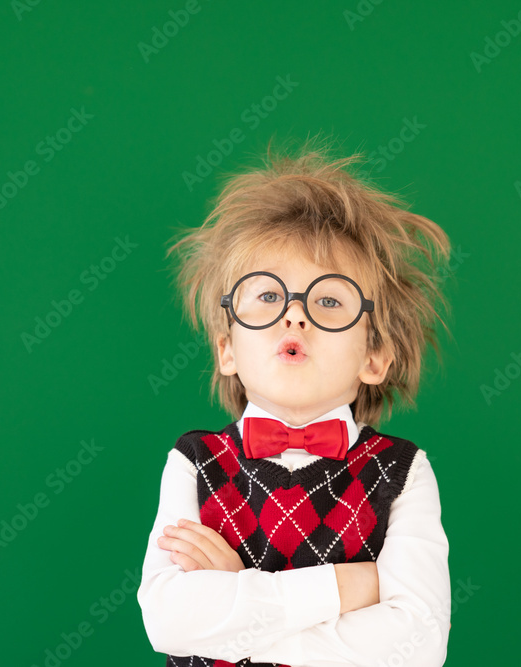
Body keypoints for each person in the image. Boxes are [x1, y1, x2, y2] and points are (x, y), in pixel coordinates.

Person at [137, 134, 455, 667]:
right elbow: (169, 620)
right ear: (226, 349)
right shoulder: (193, 463)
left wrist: (238, 600)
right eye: (267, 295)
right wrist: (350, 588)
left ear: (374, 357)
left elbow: (417, 644)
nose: (294, 315)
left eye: (329, 299)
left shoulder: (403, 472)